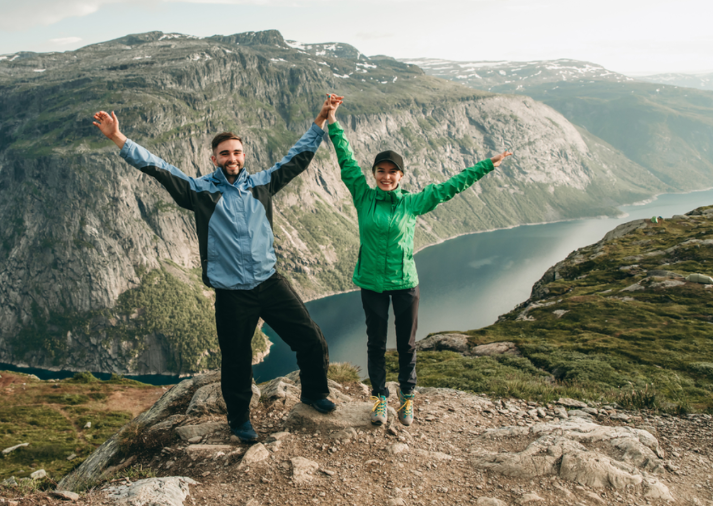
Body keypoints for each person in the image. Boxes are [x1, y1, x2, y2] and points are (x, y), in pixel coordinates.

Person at [93, 97, 341, 442]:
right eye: (224, 154)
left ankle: (314, 392)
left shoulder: (263, 184)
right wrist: (118, 138)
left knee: (311, 340)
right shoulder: (199, 192)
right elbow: (158, 167)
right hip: (232, 294)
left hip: (270, 283)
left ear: (244, 155)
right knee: (237, 362)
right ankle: (239, 421)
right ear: (214, 159)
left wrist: (320, 121)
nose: (232, 158)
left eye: (237, 152)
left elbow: (297, 158)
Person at [324, 98, 512, 426]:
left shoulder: (412, 203)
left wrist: (487, 165)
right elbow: (345, 158)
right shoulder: (363, 195)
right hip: (371, 283)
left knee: (407, 344)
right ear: (374, 174)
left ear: (400, 175)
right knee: (375, 343)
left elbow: (451, 187)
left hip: (404, 283)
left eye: (392, 172)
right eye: (380, 171)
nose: (386, 177)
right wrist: (333, 122)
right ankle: (380, 398)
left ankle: (407, 399)